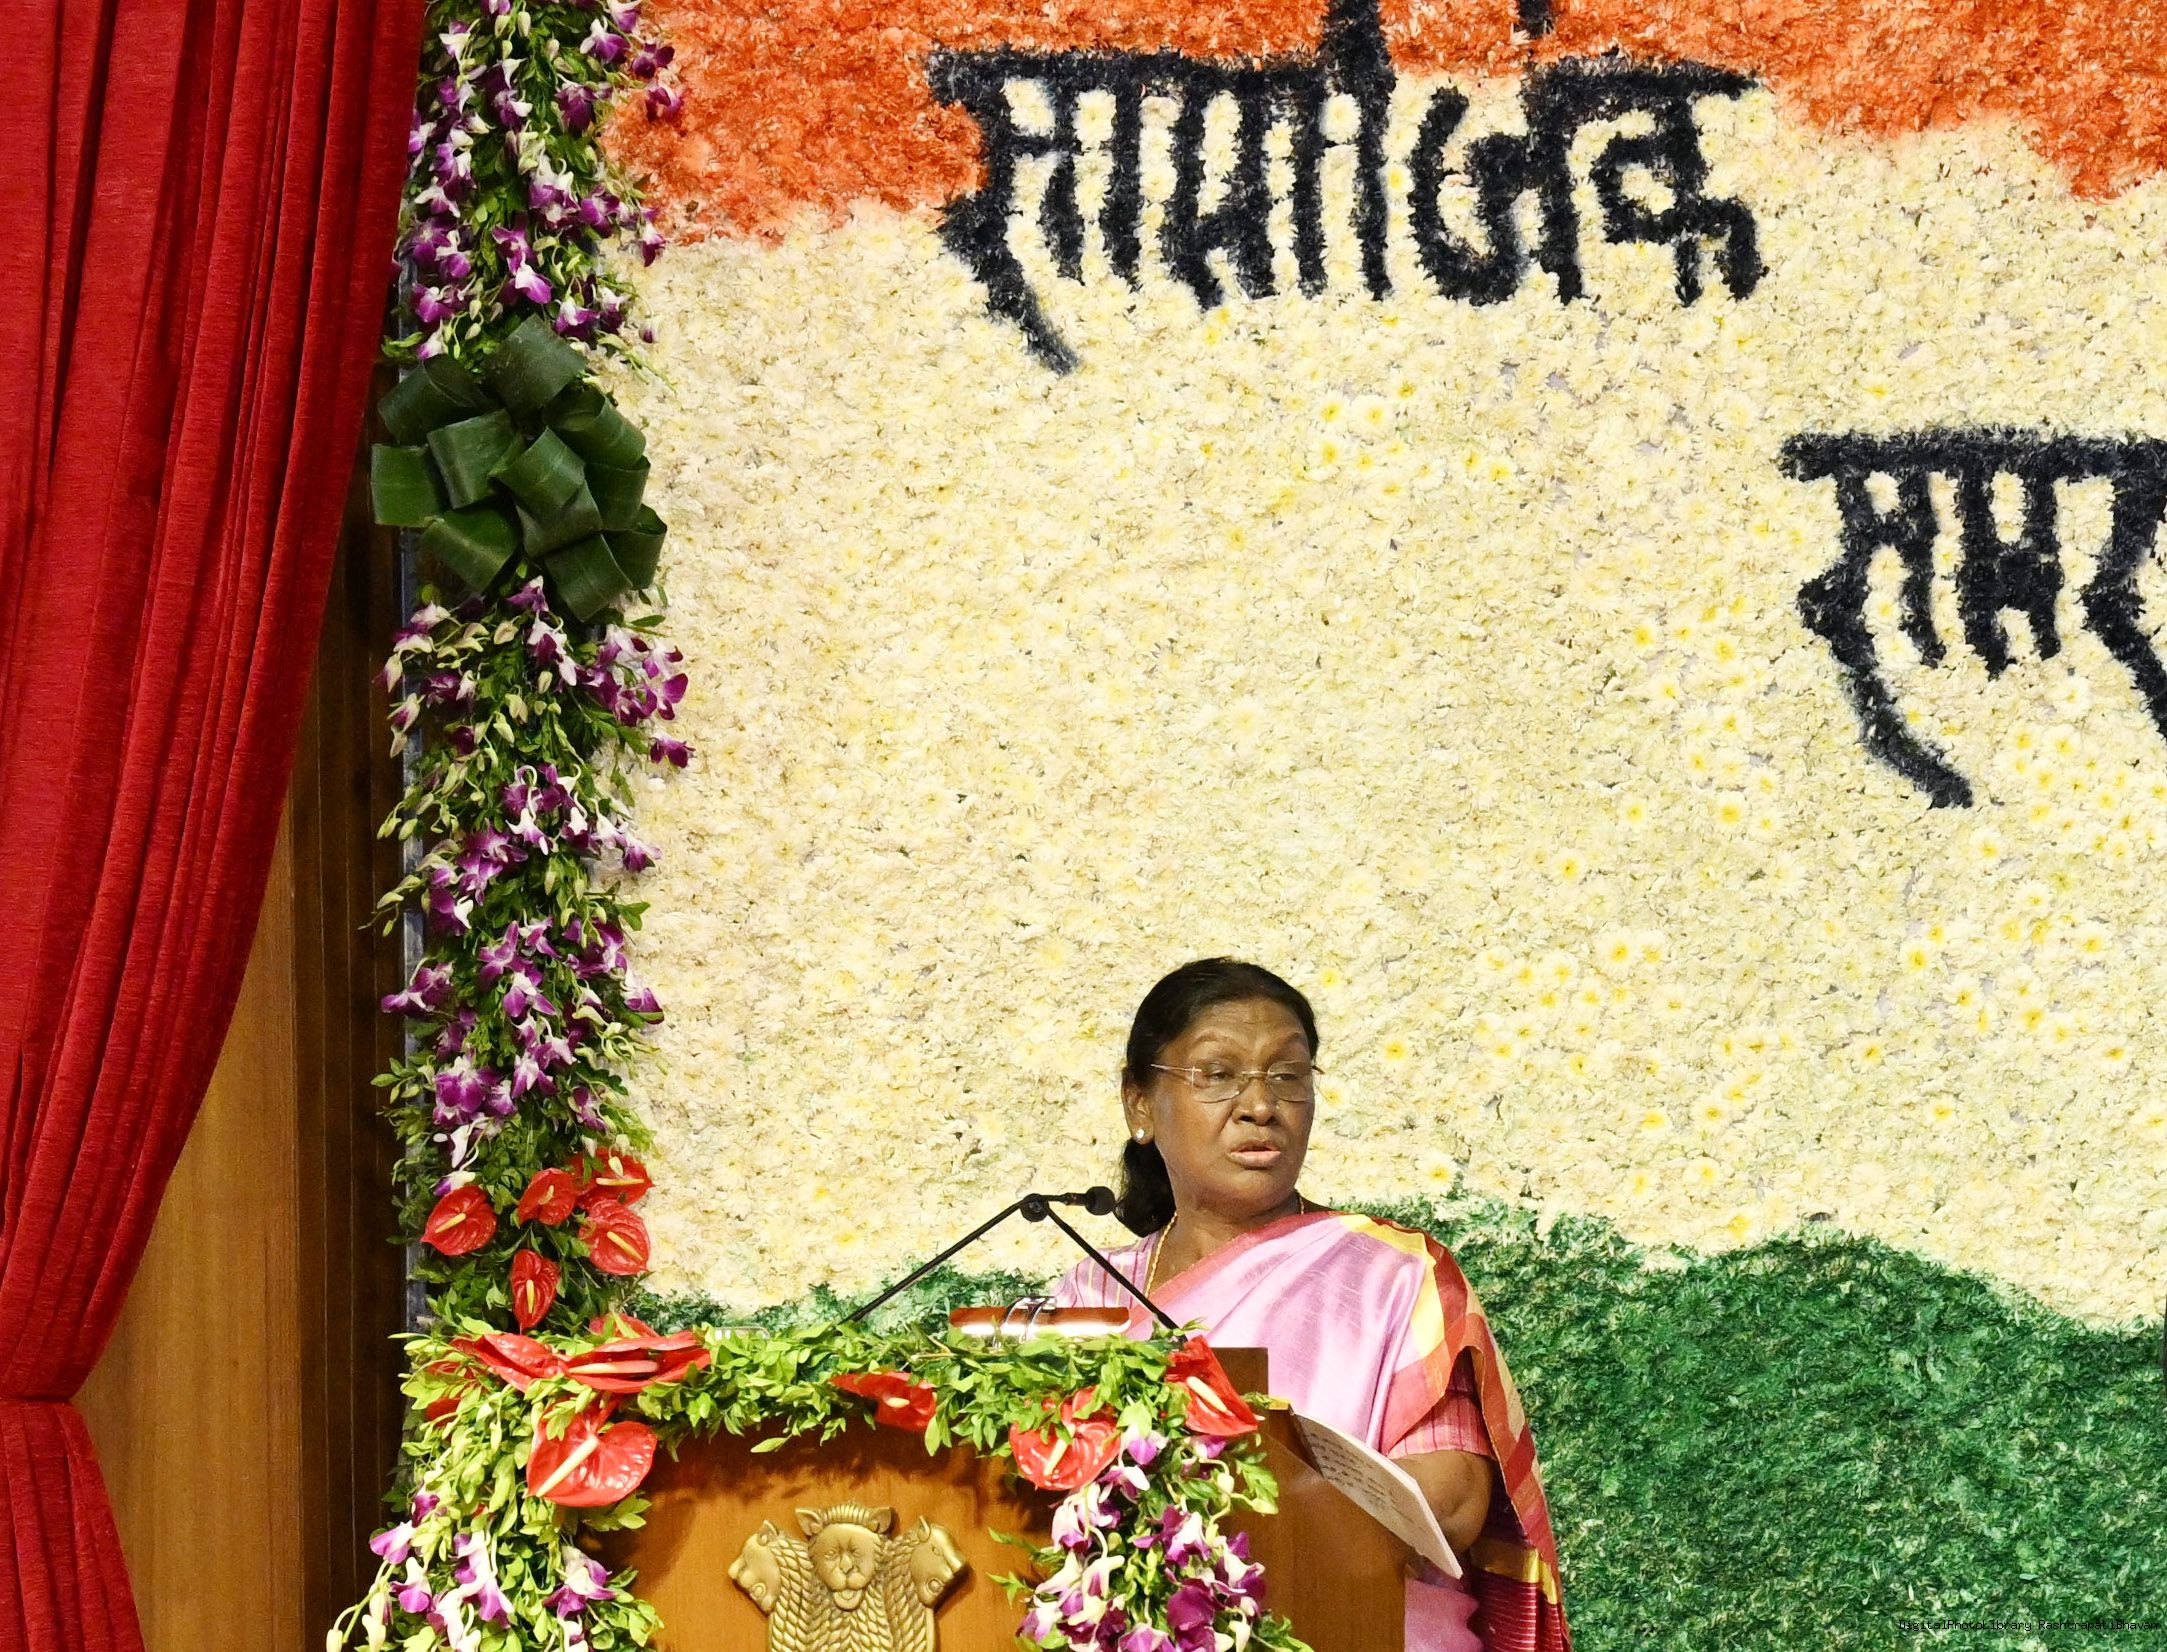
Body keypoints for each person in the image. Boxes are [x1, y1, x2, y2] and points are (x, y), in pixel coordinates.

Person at [1054, 959, 1571, 1652]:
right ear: (1139, 1105)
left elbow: (1451, 1506)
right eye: (1218, 1073)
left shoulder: (1393, 1274)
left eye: (1287, 1075)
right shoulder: (1089, 1295)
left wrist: (1236, 1510)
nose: (1259, 1105)